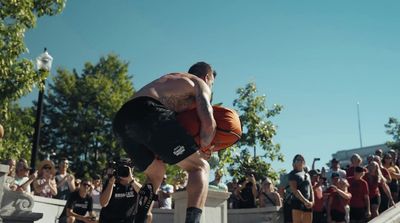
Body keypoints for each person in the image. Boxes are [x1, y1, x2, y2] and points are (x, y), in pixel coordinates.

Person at [113, 62, 217, 223]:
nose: (210, 86)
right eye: (212, 83)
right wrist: (205, 145)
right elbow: (208, 121)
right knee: (200, 167)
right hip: (148, 111)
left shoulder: (172, 80)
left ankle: (139, 219)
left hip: (122, 119)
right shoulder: (200, 83)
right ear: (207, 76)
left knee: (156, 173)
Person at [99, 159, 142, 223]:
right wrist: (111, 182)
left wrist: (131, 180)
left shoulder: (134, 184)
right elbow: (103, 203)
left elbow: (145, 194)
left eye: (127, 168)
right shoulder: (111, 183)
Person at [289, 154, 314, 223]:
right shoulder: (293, 174)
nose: (301, 161)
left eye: (302, 159)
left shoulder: (307, 174)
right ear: (294, 163)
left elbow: (311, 189)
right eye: (298, 160)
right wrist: (305, 201)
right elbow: (294, 190)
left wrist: (312, 201)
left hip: (308, 203)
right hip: (297, 202)